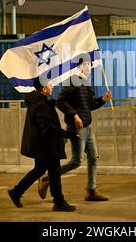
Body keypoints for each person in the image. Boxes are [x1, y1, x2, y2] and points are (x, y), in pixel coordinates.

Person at [38, 56, 112, 201]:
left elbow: (90, 105)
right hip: (77, 127)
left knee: (93, 157)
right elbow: (60, 101)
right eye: (87, 64)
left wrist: (102, 100)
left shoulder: (85, 82)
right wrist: (75, 115)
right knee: (76, 161)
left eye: (90, 64)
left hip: (87, 126)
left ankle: (91, 190)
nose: (90, 67)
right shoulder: (72, 80)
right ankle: (48, 178)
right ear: (80, 66)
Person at [7, 77, 77, 212]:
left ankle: (16, 192)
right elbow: (47, 126)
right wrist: (66, 134)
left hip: (43, 145)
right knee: (54, 173)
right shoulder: (40, 104)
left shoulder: (40, 101)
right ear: (44, 89)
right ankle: (59, 202)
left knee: (40, 170)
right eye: (50, 85)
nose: (53, 87)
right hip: (46, 146)